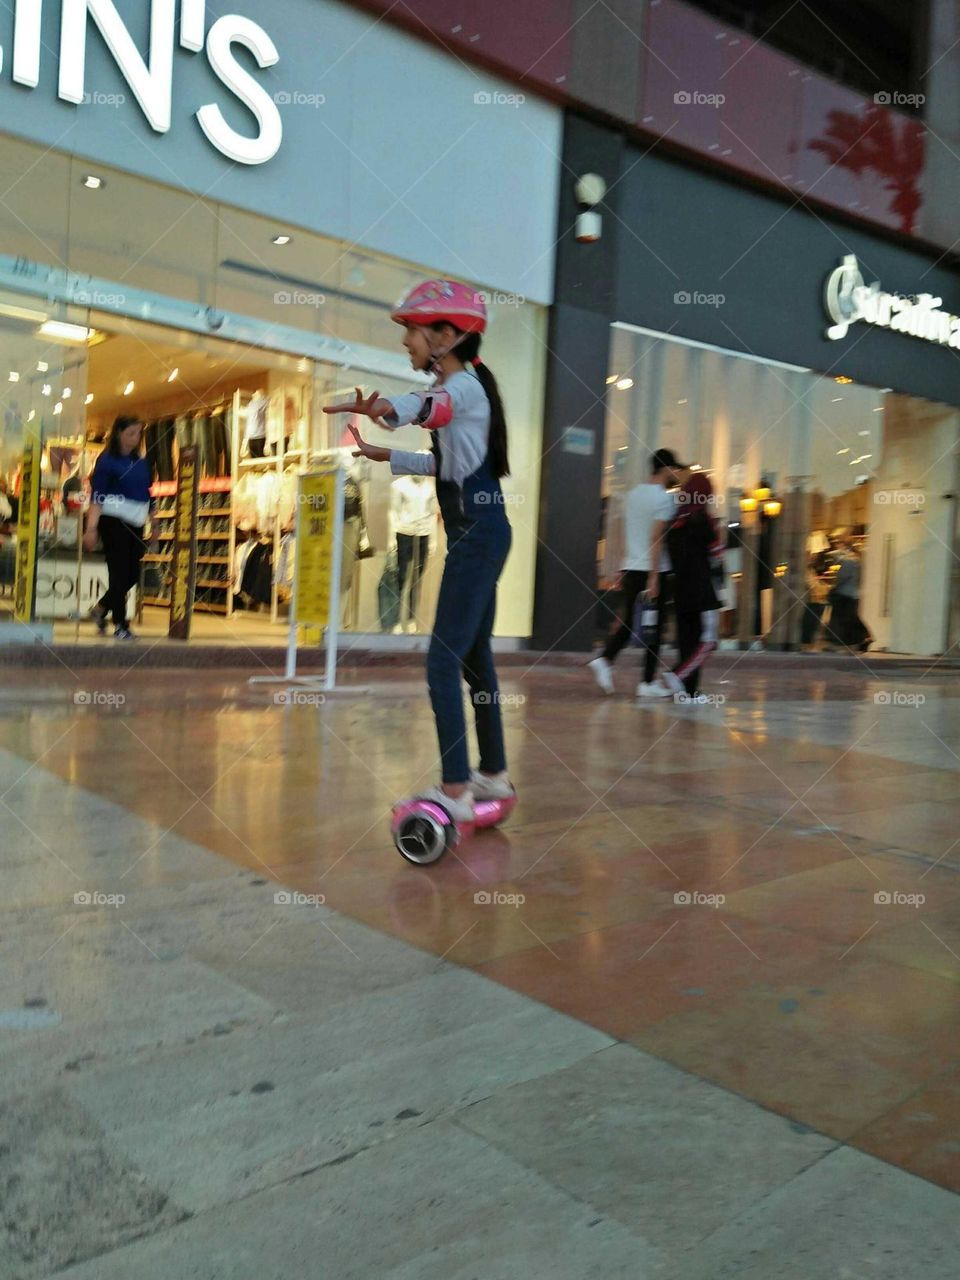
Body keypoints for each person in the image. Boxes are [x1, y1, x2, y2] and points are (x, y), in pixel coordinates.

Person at [323, 280, 512, 825]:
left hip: (477, 536)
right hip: (482, 530)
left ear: (447, 336)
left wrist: (385, 408)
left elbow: (428, 408)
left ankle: (454, 789)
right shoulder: (466, 390)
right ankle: (492, 775)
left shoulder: (464, 389)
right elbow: (447, 466)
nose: (407, 341)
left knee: (441, 663)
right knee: (475, 660)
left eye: (413, 330)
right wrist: (388, 454)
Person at [588, 449, 683, 697]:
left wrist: (620, 565)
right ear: (665, 469)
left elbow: (622, 533)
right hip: (653, 569)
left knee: (631, 620)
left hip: (631, 566)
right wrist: (654, 576)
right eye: (674, 469)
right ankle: (647, 682)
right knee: (655, 626)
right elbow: (656, 538)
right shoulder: (664, 499)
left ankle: (606, 658)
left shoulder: (632, 496)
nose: (676, 473)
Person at [83, 416, 152, 640]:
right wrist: (91, 528)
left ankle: (101, 608)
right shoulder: (107, 460)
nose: (135, 438)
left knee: (132, 573)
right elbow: (97, 495)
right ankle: (121, 624)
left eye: (138, 433)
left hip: (137, 521)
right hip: (113, 520)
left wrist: (155, 521)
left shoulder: (141, 462)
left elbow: (147, 493)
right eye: (131, 433)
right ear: (119, 433)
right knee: (119, 572)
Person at [660, 472, 723, 699]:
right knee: (708, 641)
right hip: (703, 590)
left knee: (688, 641)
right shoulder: (705, 521)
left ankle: (690, 692)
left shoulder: (674, 523)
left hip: (680, 590)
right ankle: (677, 675)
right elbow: (718, 554)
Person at [824, 539, 872, 652]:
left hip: (844, 594)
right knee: (851, 618)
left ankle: (839, 642)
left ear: (843, 545)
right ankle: (863, 639)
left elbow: (842, 577)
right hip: (854, 594)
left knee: (841, 619)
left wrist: (834, 586)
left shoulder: (847, 560)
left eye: (838, 545)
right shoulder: (857, 560)